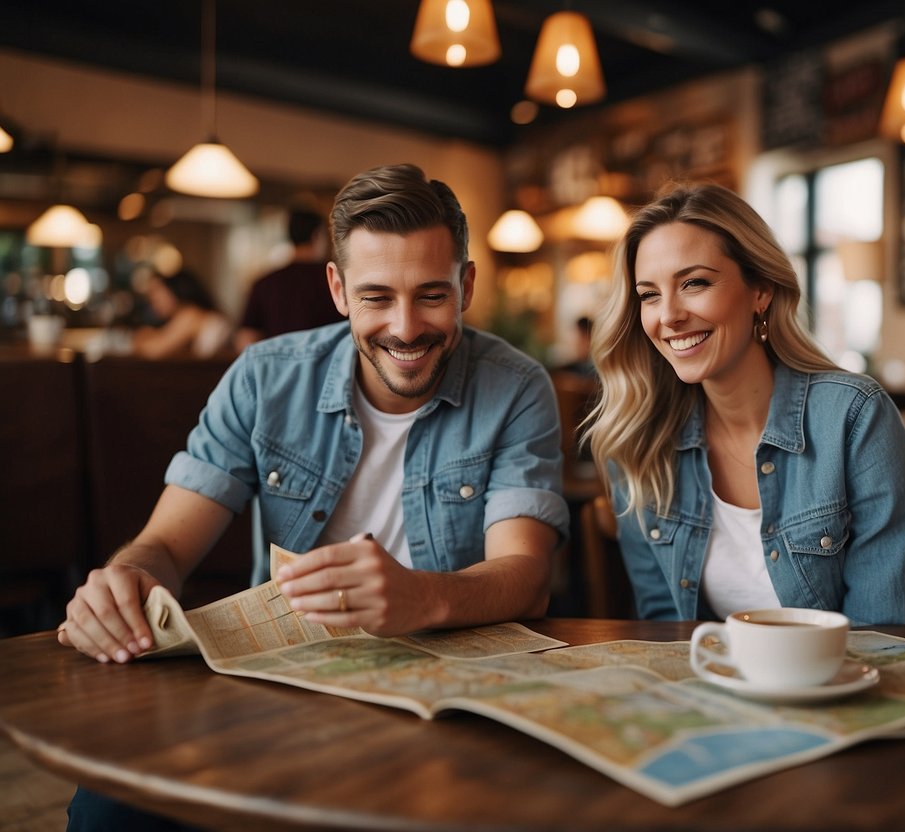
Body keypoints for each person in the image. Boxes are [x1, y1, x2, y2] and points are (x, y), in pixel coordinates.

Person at [59, 163, 568, 830]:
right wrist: (124, 582)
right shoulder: (263, 380)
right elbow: (166, 547)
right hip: (283, 684)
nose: (406, 328)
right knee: (108, 810)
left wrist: (420, 597)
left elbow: (525, 577)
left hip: (451, 694)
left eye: (431, 295)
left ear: (466, 285)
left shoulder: (517, 387)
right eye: (377, 296)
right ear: (337, 288)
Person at [583, 182, 905, 625]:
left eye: (695, 283)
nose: (668, 315)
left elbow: (885, 633)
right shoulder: (641, 444)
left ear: (760, 290)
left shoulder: (854, 418)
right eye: (649, 294)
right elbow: (668, 630)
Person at [234, 207, 345, 349]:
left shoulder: (265, 282)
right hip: (328, 365)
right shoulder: (334, 280)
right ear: (317, 235)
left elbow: (246, 337)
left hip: (278, 366)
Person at [131, 269, 232, 359]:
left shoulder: (190, 314)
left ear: (174, 291)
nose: (153, 302)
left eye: (157, 294)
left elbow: (154, 351)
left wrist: (138, 338)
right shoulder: (196, 313)